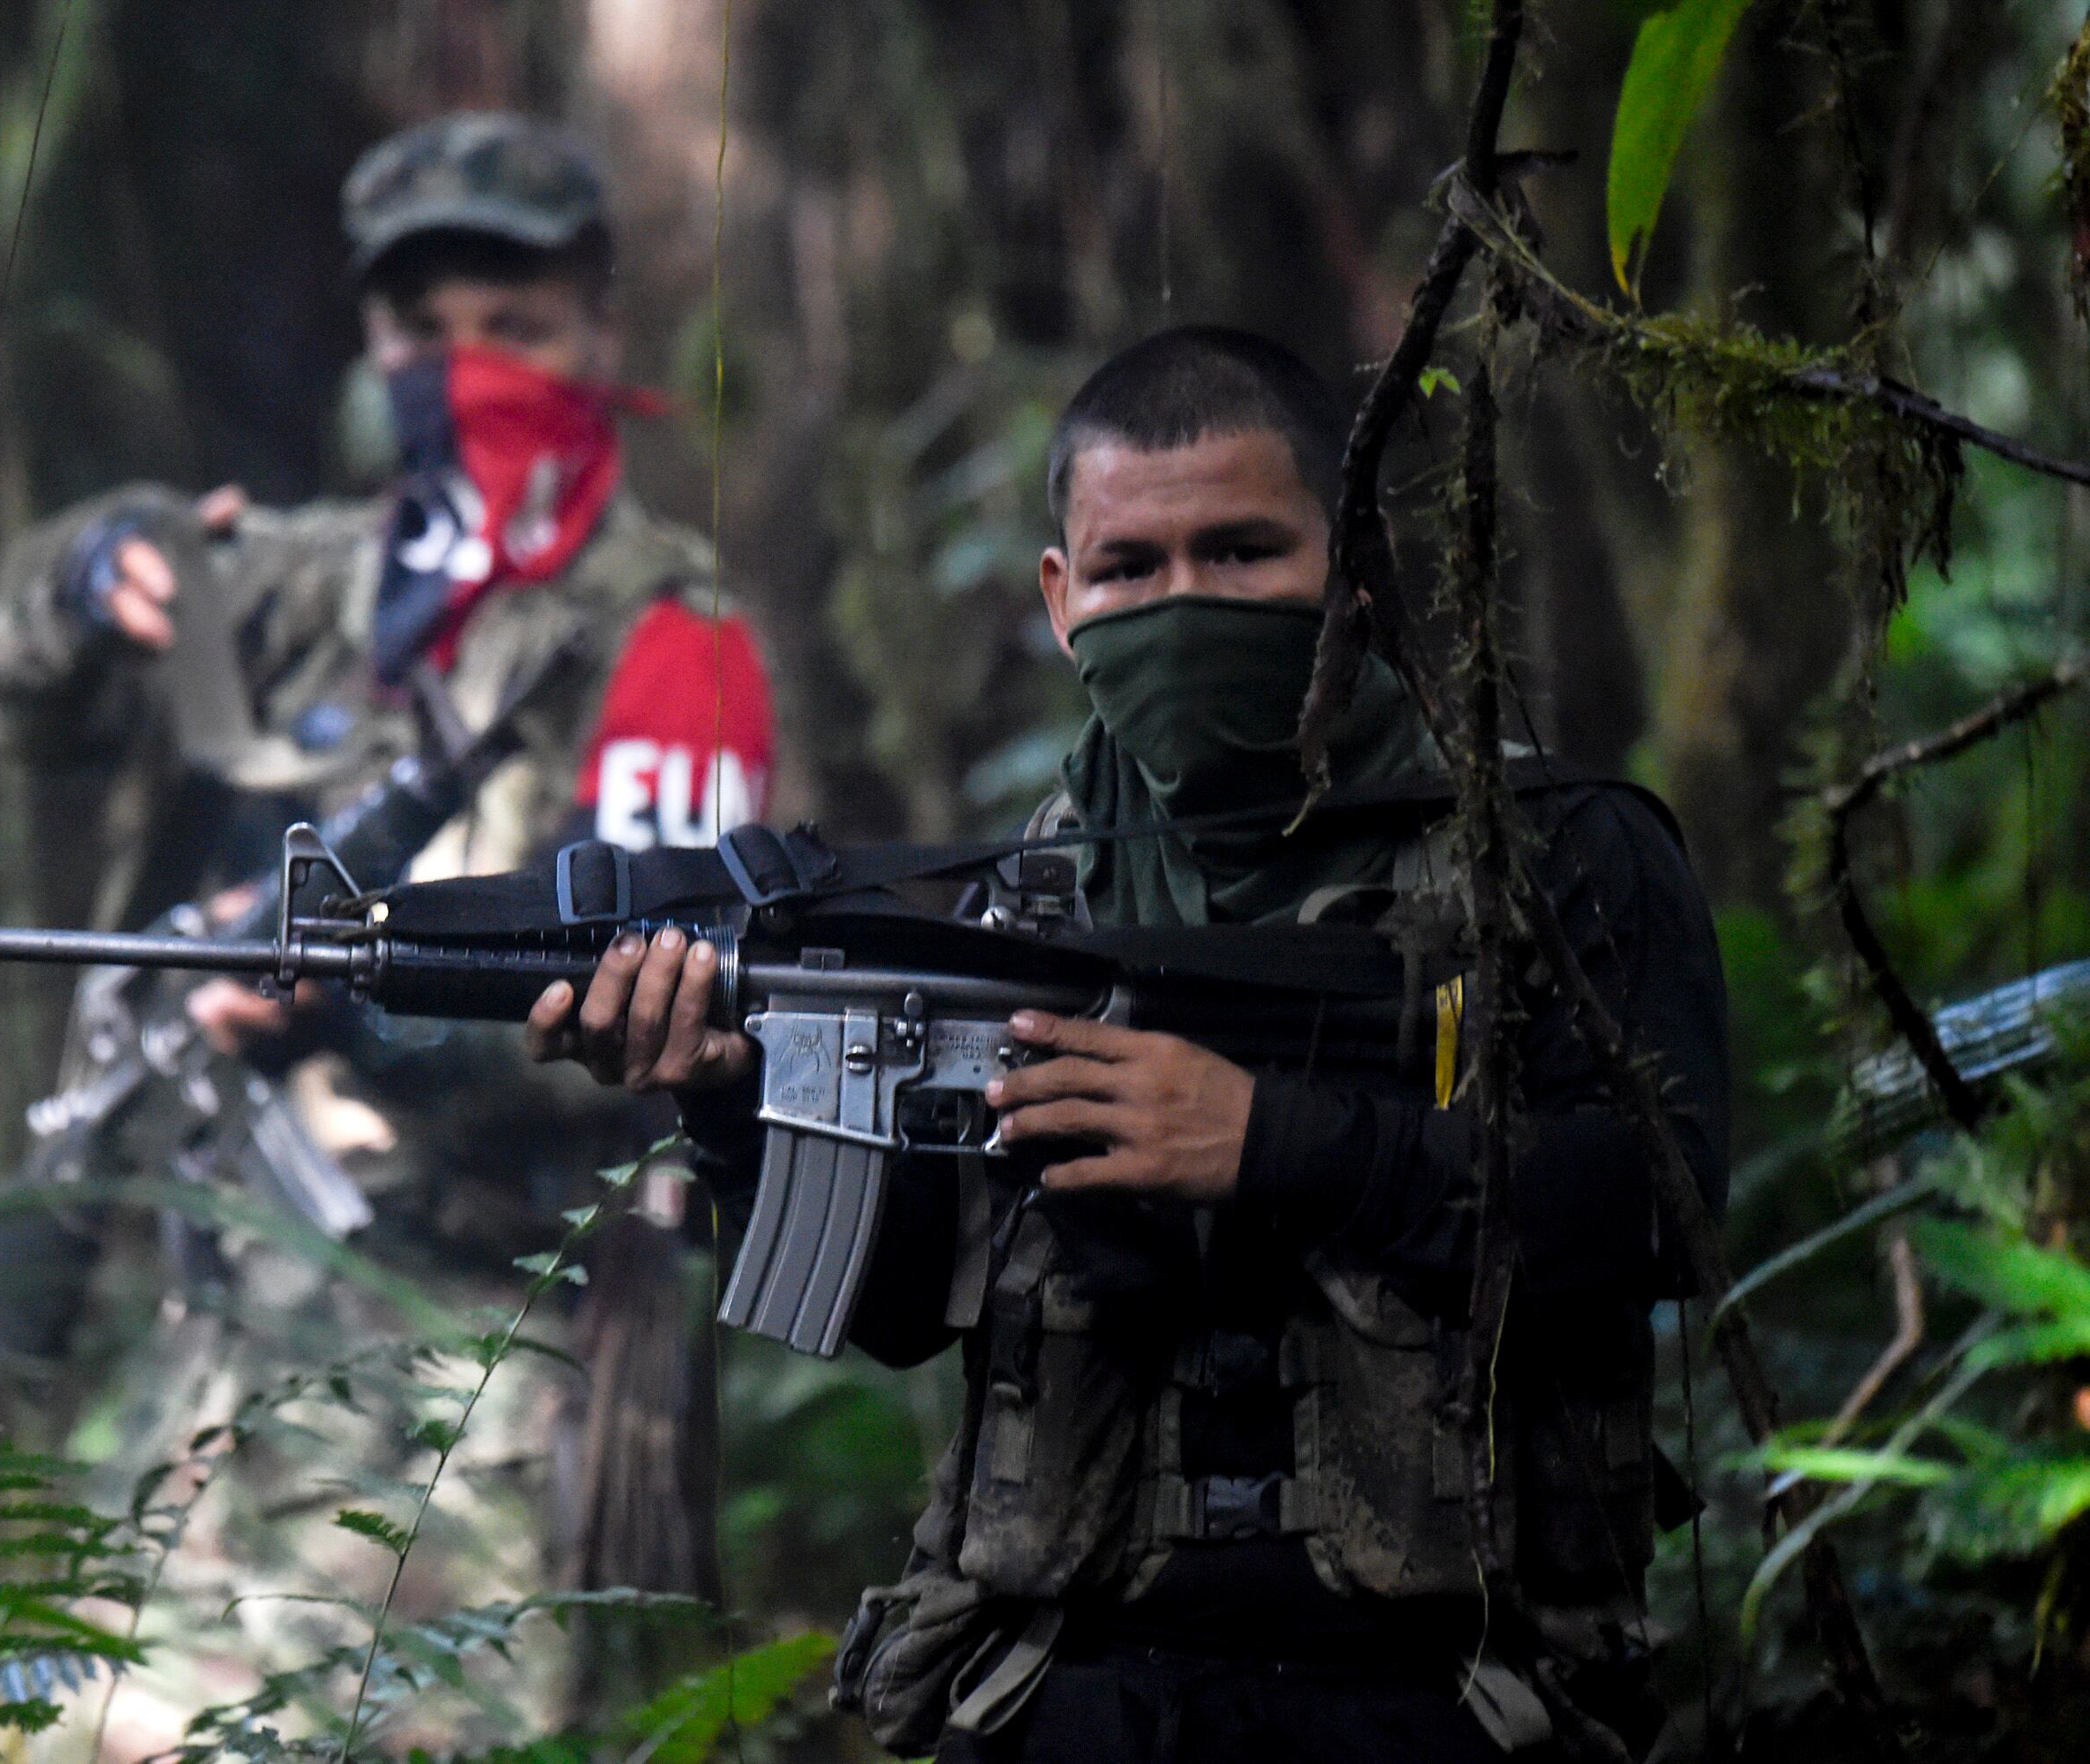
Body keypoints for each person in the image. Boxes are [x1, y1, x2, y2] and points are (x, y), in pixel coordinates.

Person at [526, 325, 1729, 1760]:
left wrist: (1270, 1142)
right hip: (1071, 1689)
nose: (1183, 606)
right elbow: (907, 1303)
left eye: (1240, 553)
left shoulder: (1561, 851)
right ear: (1060, 595)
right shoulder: (1016, 906)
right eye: (1130, 569)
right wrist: (733, 1110)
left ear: (1352, 565)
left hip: (1449, 1697)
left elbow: (1657, 1210)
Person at [0, 111, 771, 1599]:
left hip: (486, 1377)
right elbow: (6, 701)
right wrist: (88, 568)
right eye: (420, 325)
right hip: (207, 1338)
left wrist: (360, 1015)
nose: (462, 364)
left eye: (512, 323)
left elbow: (679, 1018)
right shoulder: (307, 578)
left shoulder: (671, 634)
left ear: (601, 328)